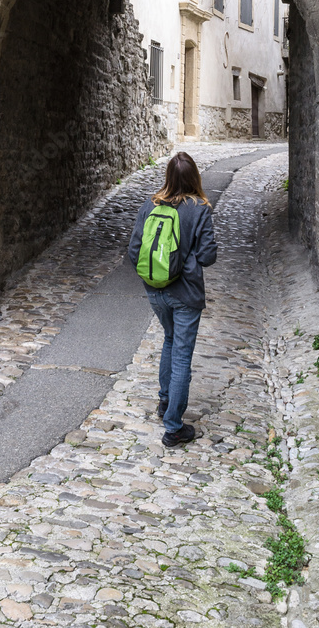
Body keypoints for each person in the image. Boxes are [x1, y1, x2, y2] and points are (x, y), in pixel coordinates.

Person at [128, 152, 217, 447]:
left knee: (169, 339)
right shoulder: (199, 208)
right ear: (195, 178)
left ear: (168, 176)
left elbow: (134, 251)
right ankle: (174, 427)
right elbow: (207, 256)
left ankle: (165, 402)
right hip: (186, 294)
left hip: (155, 291)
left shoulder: (150, 204)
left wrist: (156, 277)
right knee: (181, 355)